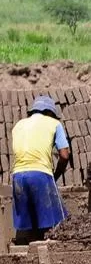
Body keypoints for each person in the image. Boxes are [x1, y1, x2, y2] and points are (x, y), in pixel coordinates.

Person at [10, 95, 70, 245]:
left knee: (30, 226)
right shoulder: (54, 123)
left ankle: (32, 255)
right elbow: (64, 155)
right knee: (57, 221)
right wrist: (55, 175)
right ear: (50, 112)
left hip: (18, 176)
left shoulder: (18, 125)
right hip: (40, 174)